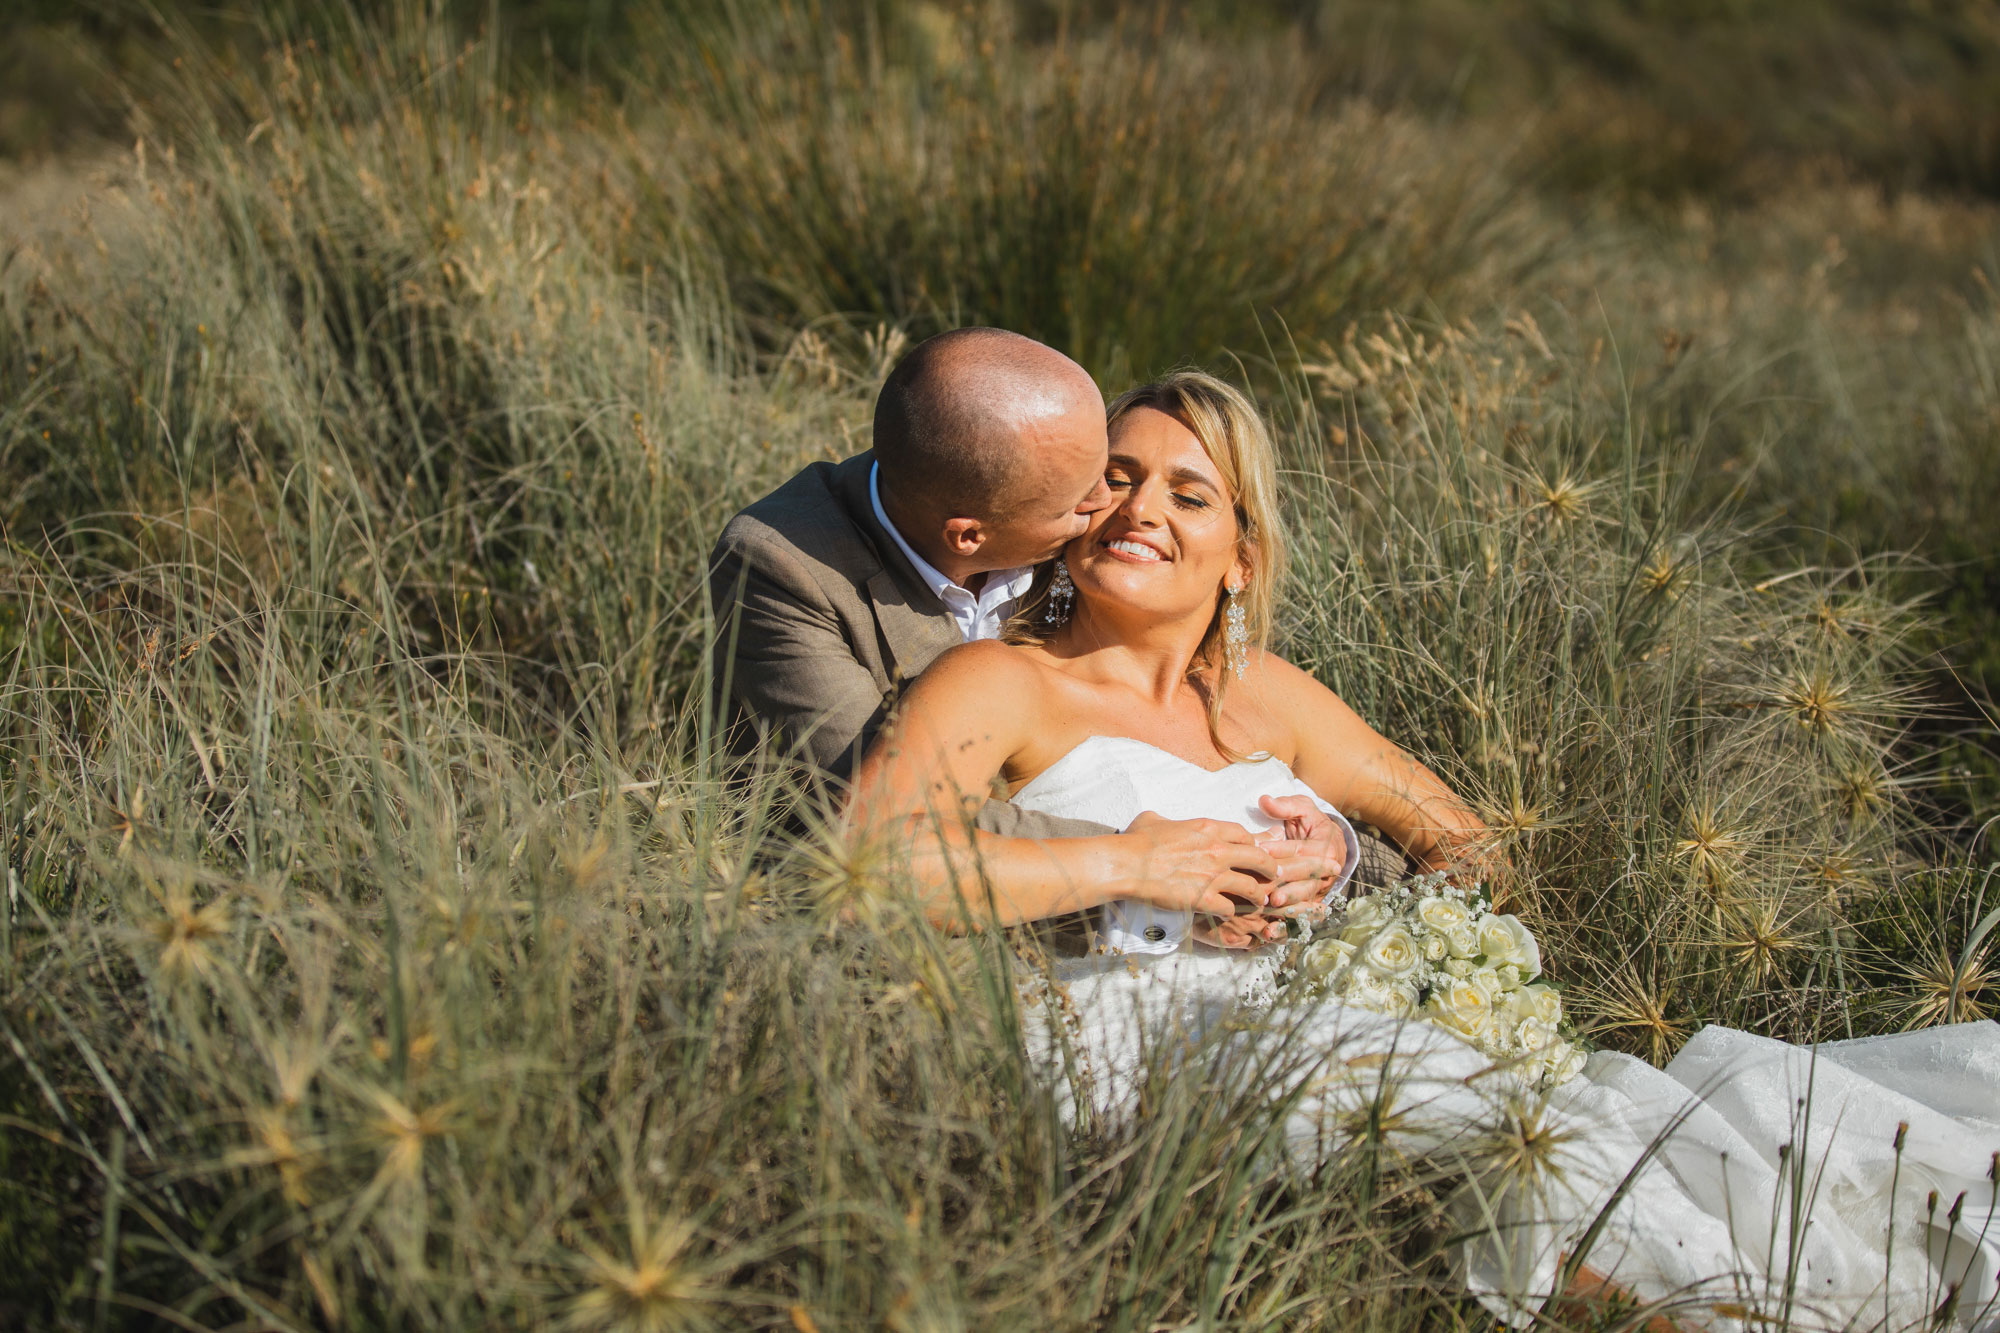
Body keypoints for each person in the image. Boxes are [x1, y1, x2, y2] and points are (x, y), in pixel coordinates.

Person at [846, 369, 2000, 1329]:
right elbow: (871, 869)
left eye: (1188, 493)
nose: (1139, 508)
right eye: (1116, 479)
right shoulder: (1001, 680)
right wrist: (1130, 867)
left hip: (1340, 1017)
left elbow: (1467, 844)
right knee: (1522, 1140)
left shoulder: (1267, 698)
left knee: (1659, 1128)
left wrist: (1340, 860)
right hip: (1147, 1038)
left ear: (1239, 555)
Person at [709, 327, 1376, 950]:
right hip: (877, 947)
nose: (1119, 508)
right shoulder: (784, 567)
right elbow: (889, 840)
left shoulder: (1038, 476)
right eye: (1099, 489)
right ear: (971, 535)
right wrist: (1155, 873)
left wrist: (1322, 849)